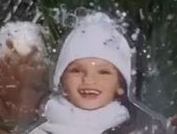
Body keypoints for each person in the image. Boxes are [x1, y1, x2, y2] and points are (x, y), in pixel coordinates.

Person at [26, 12, 167, 134]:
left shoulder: (142, 130)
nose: (89, 79)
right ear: (62, 81)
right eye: (76, 70)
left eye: (103, 72)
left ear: (120, 85)